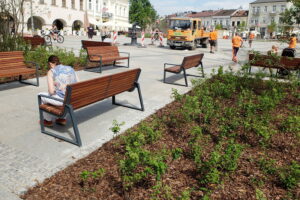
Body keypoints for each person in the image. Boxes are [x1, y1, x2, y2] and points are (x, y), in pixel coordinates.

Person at [39, 55, 79, 127]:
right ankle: (62, 119)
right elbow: (77, 83)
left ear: (50, 63)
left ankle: (47, 121)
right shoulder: (70, 68)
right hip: (73, 99)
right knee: (62, 94)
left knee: (41, 95)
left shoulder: (51, 71)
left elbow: (51, 92)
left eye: (49, 65)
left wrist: (53, 89)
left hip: (62, 101)